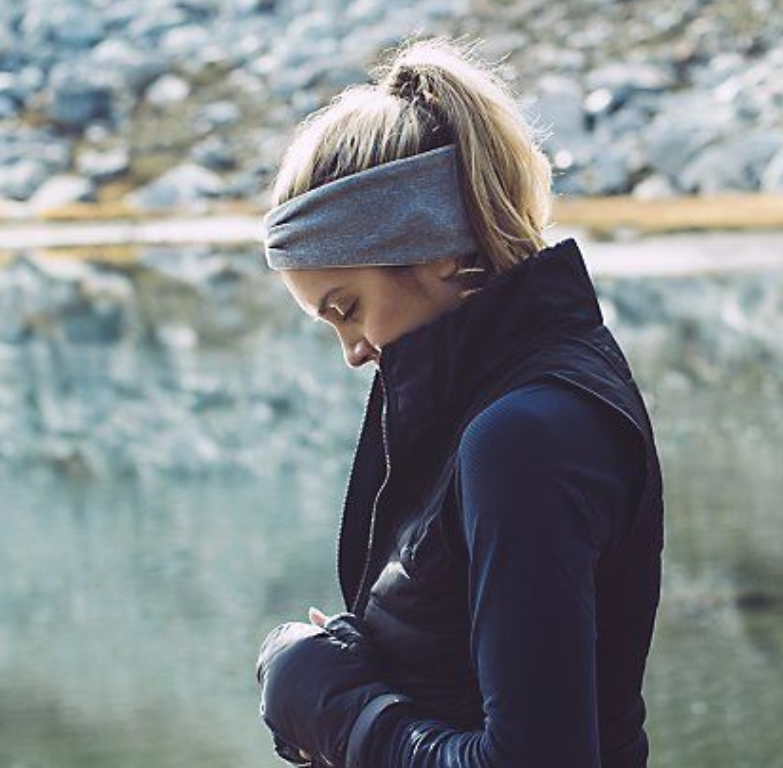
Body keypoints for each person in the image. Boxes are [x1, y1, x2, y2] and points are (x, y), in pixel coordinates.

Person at [254, 35, 666, 768]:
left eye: (347, 308)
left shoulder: (526, 434)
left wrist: (338, 710)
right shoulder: (489, 407)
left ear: (438, 246)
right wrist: (344, 671)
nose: (352, 350)